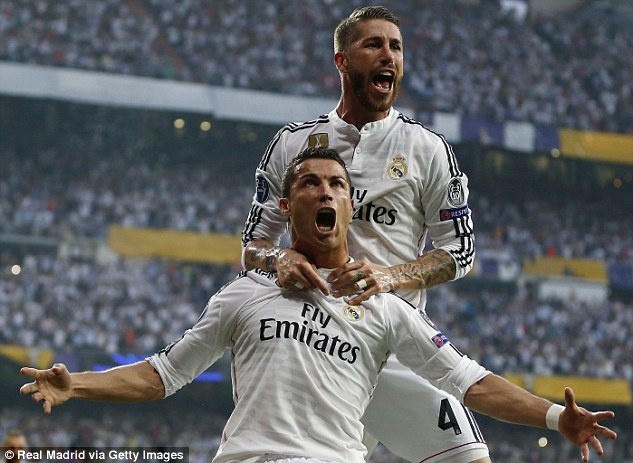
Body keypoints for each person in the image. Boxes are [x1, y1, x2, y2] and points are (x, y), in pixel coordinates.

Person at [21, 148, 617, 463]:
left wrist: (553, 417)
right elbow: (161, 375)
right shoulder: (244, 294)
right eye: (310, 182)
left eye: (337, 185)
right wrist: (78, 387)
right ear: (287, 206)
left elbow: (471, 383)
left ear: (351, 207)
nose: (325, 191)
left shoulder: (385, 307)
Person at [241, 5, 484, 463]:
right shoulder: (292, 143)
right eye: (373, 44)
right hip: (312, 342)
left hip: (393, 345)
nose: (388, 55)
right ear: (342, 60)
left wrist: (390, 277)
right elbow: (253, 246)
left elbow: (461, 249)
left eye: (396, 47)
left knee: (469, 457)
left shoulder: (427, 149)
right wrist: (279, 259)